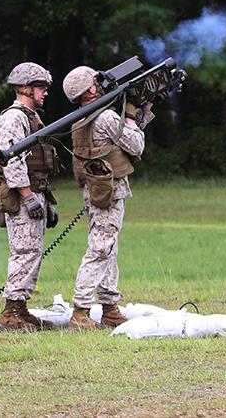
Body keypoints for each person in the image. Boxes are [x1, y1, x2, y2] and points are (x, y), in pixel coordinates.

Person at [62, 64, 153, 330]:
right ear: (91, 89)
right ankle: (81, 310)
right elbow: (136, 145)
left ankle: (110, 308)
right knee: (101, 249)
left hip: (96, 191)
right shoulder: (105, 118)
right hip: (109, 192)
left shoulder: (82, 119)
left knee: (107, 248)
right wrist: (132, 120)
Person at [0, 61, 60, 331]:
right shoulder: (13, 118)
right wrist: (28, 196)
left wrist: (45, 200)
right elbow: (12, 160)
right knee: (23, 251)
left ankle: (20, 309)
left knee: (32, 251)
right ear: (23, 88)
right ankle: (11, 313)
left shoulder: (30, 116)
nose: (45, 92)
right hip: (21, 195)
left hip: (34, 191)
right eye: (40, 87)